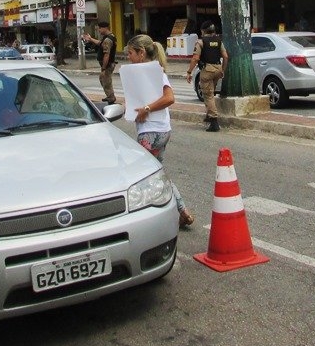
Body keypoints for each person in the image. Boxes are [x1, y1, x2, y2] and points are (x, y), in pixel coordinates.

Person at [125, 33, 194, 229]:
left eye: (130, 53)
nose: (128, 57)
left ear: (141, 53)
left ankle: (153, 218)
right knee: (156, 172)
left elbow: (169, 98)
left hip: (151, 133)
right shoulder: (145, 73)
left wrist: (146, 109)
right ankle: (182, 212)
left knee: (145, 175)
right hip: (159, 130)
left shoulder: (155, 73)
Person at [185, 21, 228, 132]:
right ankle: (209, 115)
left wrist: (189, 72)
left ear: (203, 31)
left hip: (207, 70)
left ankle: (214, 122)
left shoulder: (200, 42)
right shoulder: (219, 41)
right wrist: (222, 70)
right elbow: (225, 56)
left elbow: (195, 58)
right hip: (218, 68)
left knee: (208, 95)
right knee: (210, 93)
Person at [83, 21, 117, 104]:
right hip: (108, 64)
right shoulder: (109, 37)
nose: (99, 30)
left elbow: (106, 55)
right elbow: (100, 43)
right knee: (103, 79)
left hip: (108, 64)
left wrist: (104, 67)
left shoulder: (108, 39)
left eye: (100, 28)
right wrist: (91, 39)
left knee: (106, 80)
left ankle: (111, 98)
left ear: (105, 28)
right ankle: (110, 96)